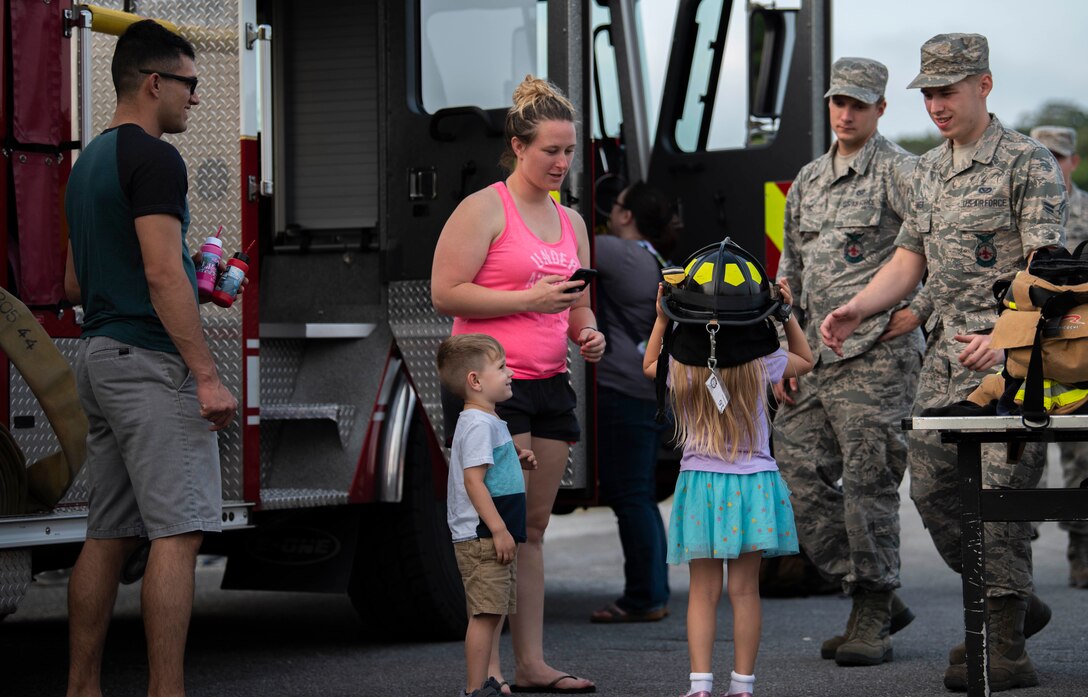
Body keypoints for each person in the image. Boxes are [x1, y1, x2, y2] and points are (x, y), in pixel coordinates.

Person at [820, 33, 1065, 691]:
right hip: (946, 368)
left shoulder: (1027, 163)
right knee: (932, 493)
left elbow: (1049, 268)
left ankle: (1005, 643)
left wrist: (1011, 335)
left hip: (1014, 365)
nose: (935, 104)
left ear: (983, 86)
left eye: (947, 91)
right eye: (927, 92)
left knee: (997, 499)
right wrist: (858, 309)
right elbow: (908, 261)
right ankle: (1012, 602)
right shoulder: (926, 171)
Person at [62, 20, 237, 697]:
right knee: (180, 531)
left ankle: (83, 687)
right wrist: (206, 374)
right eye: (190, 84)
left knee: (107, 533)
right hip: (151, 362)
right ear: (154, 82)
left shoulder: (87, 165)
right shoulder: (156, 159)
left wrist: (175, 275)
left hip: (100, 357)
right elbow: (164, 275)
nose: (196, 98)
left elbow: (76, 284)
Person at [431, 75, 603, 695]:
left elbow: (576, 305)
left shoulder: (573, 221)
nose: (560, 162)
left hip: (552, 383)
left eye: (568, 151)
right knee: (495, 528)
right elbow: (445, 292)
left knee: (532, 529)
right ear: (518, 147)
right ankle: (492, 670)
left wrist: (588, 333)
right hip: (493, 391)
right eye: (549, 151)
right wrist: (527, 297)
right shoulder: (484, 209)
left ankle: (531, 664)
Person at [772, 56, 923, 666]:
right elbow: (790, 273)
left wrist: (922, 311)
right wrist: (785, 352)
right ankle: (866, 587)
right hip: (816, 358)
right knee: (792, 471)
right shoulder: (807, 180)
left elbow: (945, 248)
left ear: (881, 109)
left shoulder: (903, 173)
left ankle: (873, 606)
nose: (845, 113)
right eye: (838, 101)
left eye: (859, 104)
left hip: (877, 359)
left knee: (868, 485)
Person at [645, 239, 813, 697]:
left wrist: (662, 318)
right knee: (745, 593)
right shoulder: (764, 363)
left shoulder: (680, 365)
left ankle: (699, 685)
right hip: (754, 485)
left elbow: (648, 365)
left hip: (700, 485)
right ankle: (742, 686)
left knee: (702, 593)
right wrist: (785, 314)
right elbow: (807, 359)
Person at [589, 181, 680, 624]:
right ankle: (652, 591)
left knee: (630, 496)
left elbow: (562, 240)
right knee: (640, 494)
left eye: (617, 205)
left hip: (622, 391)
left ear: (627, 217)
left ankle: (644, 596)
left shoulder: (617, 253)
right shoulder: (654, 260)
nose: (610, 212)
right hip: (647, 390)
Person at [437, 334, 538, 697]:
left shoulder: (488, 419)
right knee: (484, 614)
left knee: (493, 611)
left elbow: (489, 463)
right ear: (475, 381)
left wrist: (517, 456)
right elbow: (474, 481)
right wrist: (498, 530)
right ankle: (475, 688)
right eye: (501, 367)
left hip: (491, 534)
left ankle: (488, 682)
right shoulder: (479, 424)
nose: (510, 373)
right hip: (482, 536)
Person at [1029, 125, 1088, 589]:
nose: (1051, 162)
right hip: (1031, 345)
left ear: (1072, 161)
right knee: (1020, 447)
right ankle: (1014, 550)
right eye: (1042, 154)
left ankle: (1081, 547)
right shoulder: (1023, 205)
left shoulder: (1086, 211)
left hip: (1081, 347)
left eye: (1059, 156)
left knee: (1081, 453)